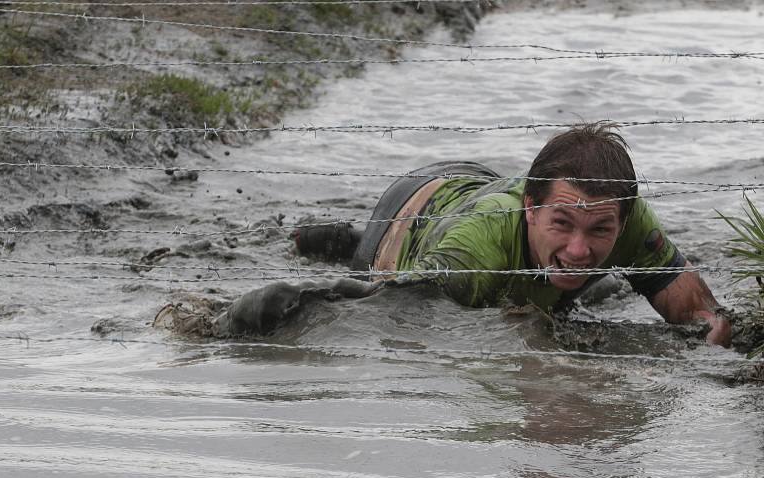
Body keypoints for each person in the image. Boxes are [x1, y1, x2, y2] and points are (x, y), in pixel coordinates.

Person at [159, 122, 731, 346]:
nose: (582, 245)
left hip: (479, 189)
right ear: (533, 210)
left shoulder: (625, 216)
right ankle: (347, 241)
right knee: (391, 277)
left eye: (600, 230)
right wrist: (228, 325)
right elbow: (387, 311)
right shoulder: (473, 255)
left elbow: (704, 318)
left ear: (623, 221)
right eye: (563, 223)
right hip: (413, 208)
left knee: (591, 289)